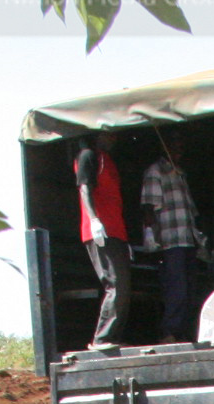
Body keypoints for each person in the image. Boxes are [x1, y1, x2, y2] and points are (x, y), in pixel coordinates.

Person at [140, 129, 204, 345]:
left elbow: (189, 211)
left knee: (189, 288)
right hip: (170, 241)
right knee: (176, 288)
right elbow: (148, 206)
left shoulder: (180, 173)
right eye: (174, 144)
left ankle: (182, 333)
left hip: (187, 239)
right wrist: (149, 233)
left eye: (180, 145)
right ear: (164, 146)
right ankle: (168, 332)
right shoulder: (155, 171)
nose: (179, 149)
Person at [74, 133, 132, 351]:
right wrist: (94, 220)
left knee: (123, 285)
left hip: (116, 231)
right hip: (100, 230)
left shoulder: (108, 161)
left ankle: (111, 338)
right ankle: (101, 338)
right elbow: (84, 188)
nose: (113, 138)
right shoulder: (88, 156)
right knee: (115, 283)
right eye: (108, 133)